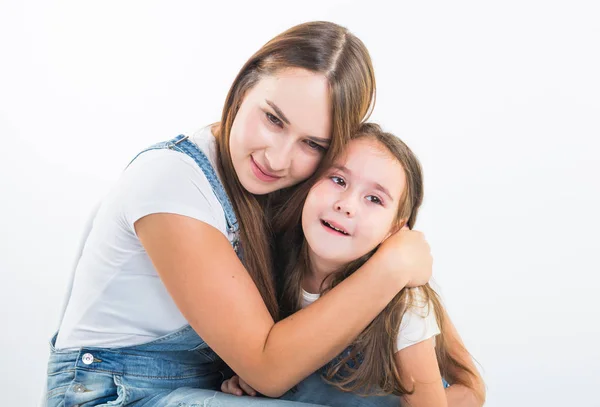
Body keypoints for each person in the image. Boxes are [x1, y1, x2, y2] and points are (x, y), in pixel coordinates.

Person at [45, 22, 433, 407]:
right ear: (245, 85)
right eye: (273, 119)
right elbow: (268, 369)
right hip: (110, 393)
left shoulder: (308, 196)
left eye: (312, 143)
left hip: (200, 389)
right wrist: (391, 267)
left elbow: (460, 383)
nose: (277, 158)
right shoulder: (172, 179)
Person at [222, 123, 486, 407]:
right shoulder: (268, 266)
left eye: (374, 199)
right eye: (338, 180)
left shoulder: (404, 307)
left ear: (394, 230)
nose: (346, 205)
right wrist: (249, 379)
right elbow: (270, 364)